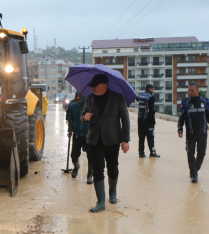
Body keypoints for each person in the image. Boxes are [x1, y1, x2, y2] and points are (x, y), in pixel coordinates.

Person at [80, 74, 130, 213]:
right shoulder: (90, 98)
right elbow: (82, 116)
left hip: (112, 139)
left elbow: (125, 120)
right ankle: (100, 202)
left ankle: (112, 193)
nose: (92, 87)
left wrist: (125, 140)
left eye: (95, 85)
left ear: (104, 86)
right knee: (97, 169)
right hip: (94, 140)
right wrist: (85, 117)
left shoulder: (118, 97)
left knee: (112, 168)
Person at [178, 82, 209, 183]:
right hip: (190, 133)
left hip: (203, 132)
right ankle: (194, 174)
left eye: (192, 90)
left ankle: (194, 169)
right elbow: (181, 117)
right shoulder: (186, 102)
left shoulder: (205, 102)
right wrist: (180, 129)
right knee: (190, 153)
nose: (190, 92)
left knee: (202, 153)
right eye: (189, 90)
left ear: (198, 90)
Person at [67, 93, 92, 184]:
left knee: (91, 156)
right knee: (74, 155)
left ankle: (89, 175)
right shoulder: (72, 106)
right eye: (77, 96)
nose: (78, 98)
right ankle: (76, 167)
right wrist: (69, 131)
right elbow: (70, 119)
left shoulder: (89, 106)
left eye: (80, 96)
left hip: (88, 135)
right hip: (77, 134)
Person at [137, 84, 160, 158]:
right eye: (153, 89)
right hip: (148, 120)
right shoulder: (150, 97)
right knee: (150, 137)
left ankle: (141, 153)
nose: (153, 91)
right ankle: (152, 152)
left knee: (141, 137)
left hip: (140, 119)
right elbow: (152, 110)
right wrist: (152, 121)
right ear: (150, 88)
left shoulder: (140, 96)